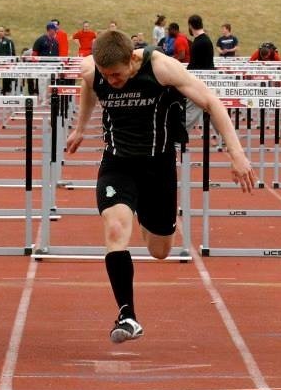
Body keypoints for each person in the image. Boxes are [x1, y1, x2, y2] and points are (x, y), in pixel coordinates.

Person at [65, 30, 255, 342]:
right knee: (115, 230)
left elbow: (211, 101)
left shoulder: (161, 67)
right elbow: (88, 84)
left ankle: (140, 211)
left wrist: (237, 154)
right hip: (118, 163)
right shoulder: (92, 70)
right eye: (106, 75)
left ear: (132, 60)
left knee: (160, 250)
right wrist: (81, 127)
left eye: (116, 74)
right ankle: (127, 316)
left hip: (158, 165)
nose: (111, 80)